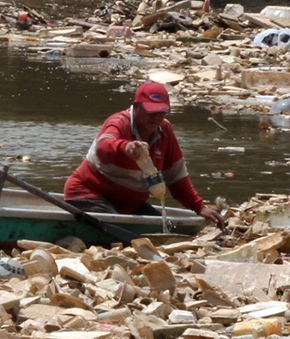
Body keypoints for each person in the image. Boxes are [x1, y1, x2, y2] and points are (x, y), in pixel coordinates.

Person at [63, 81, 226, 229]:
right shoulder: (119, 122)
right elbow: (104, 146)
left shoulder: (165, 131)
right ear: (137, 107)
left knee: (163, 229)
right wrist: (125, 147)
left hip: (130, 204)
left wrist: (198, 207)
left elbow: (176, 177)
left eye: (161, 113)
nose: (156, 118)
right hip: (90, 195)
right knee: (114, 229)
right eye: (151, 112)